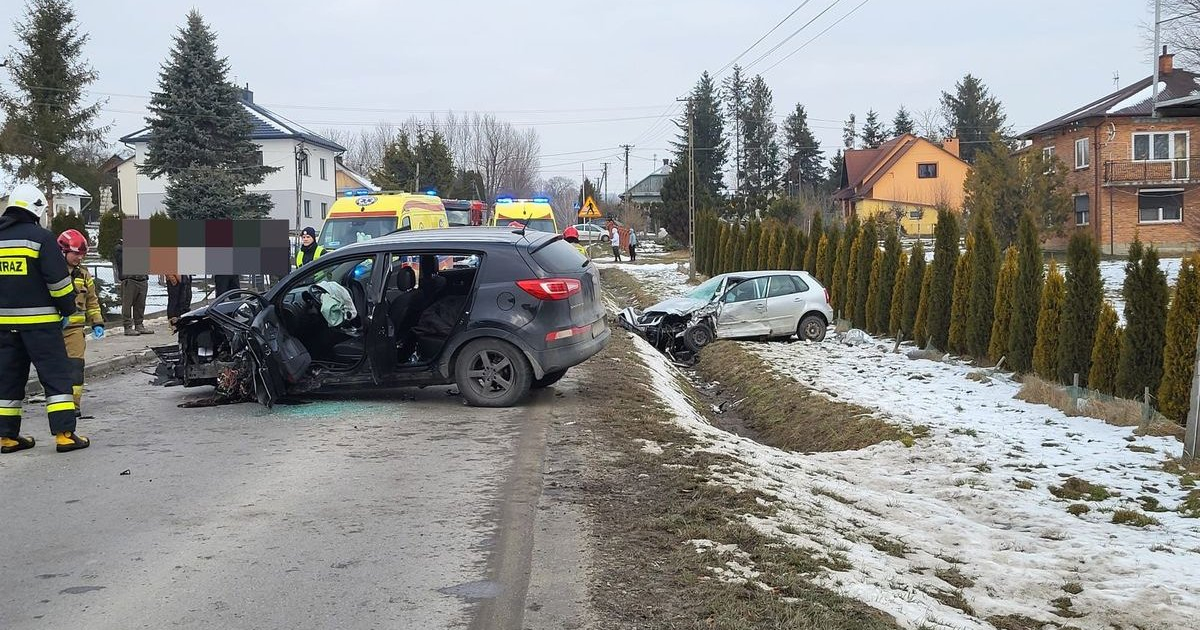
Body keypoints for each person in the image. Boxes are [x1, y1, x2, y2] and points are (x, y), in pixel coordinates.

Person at [0, 184, 89, 453]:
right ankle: (64, 434)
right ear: (37, 208)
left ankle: (6, 437)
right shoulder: (41, 238)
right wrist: (67, 308)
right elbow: (59, 282)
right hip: (41, 324)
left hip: (4, 326)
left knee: (7, 379)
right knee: (55, 376)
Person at [57, 229, 105, 419]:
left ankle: (74, 404)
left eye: (82, 254)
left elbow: (92, 301)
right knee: (55, 369)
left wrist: (97, 322)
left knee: (76, 367)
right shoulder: (51, 272)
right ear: (63, 251)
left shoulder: (84, 275)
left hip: (74, 330)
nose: (80, 257)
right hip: (52, 329)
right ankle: (58, 403)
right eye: (76, 253)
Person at [114, 238, 152, 336]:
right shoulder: (120, 249)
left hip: (142, 279)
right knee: (127, 304)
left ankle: (139, 324)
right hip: (129, 279)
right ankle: (127, 327)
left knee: (140, 304)